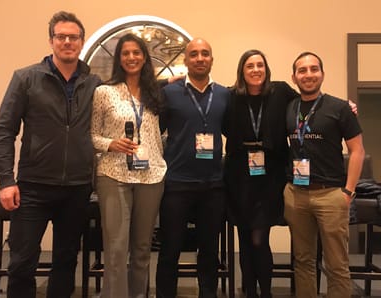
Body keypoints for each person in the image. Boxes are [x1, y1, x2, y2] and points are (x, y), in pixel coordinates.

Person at [0, 11, 101, 298]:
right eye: (61, 36)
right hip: (32, 188)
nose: (67, 41)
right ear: (51, 41)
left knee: (66, 262)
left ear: (81, 41)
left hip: (77, 188)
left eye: (73, 37)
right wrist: (6, 181)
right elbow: (3, 130)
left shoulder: (94, 83)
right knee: (21, 262)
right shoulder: (26, 78)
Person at [90, 33, 167, 297]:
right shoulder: (104, 92)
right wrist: (110, 144)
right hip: (114, 175)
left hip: (151, 176)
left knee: (143, 249)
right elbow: (91, 135)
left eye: (136, 52)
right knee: (116, 248)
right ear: (119, 59)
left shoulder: (156, 94)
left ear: (145, 57)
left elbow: (160, 135)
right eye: (126, 53)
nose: (131, 57)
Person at [284, 52, 365, 298]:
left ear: (322, 73)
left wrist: (348, 192)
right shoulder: (289, 107)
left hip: (330, 194)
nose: (308, 75)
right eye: (302, 70)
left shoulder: (340, 107)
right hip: (296, 194)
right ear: (294, 77)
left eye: (314, 69)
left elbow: (357, 150)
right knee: (303, 261)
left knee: (336, 264)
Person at [155, 38, 230, 298]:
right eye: (194, 54)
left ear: (212, 59)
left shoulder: (224, 94)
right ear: (185, 61)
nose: (200, 58)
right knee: (170, 250)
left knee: (209, 251)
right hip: (176, 184)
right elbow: (153, 131)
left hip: (213, 186)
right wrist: (163, 83)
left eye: (205, 54)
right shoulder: (169, 93)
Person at [223, 49, 298, 298]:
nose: (256, 70)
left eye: (260, 65)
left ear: (266, 69)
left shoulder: (281, 92)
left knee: (259, 237)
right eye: (250, 66)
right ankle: (250, 293)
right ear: (242, 72)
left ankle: (265, 292)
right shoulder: (231, 97)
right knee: (245, 237)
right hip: (239, 175)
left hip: (270, 175)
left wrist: (346, 105)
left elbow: (307, 105)